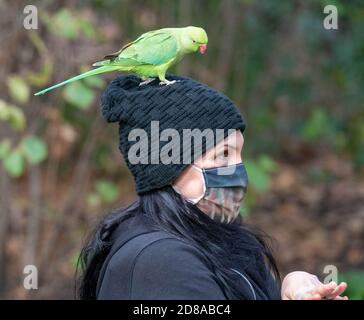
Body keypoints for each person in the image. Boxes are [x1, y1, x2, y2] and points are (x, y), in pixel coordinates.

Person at [77, 75, 348, 300]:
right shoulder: (161, 262)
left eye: (239, 155)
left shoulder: (215, 239)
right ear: (168, 168)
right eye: (223, 156)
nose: (239, 171)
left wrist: (289, 287)